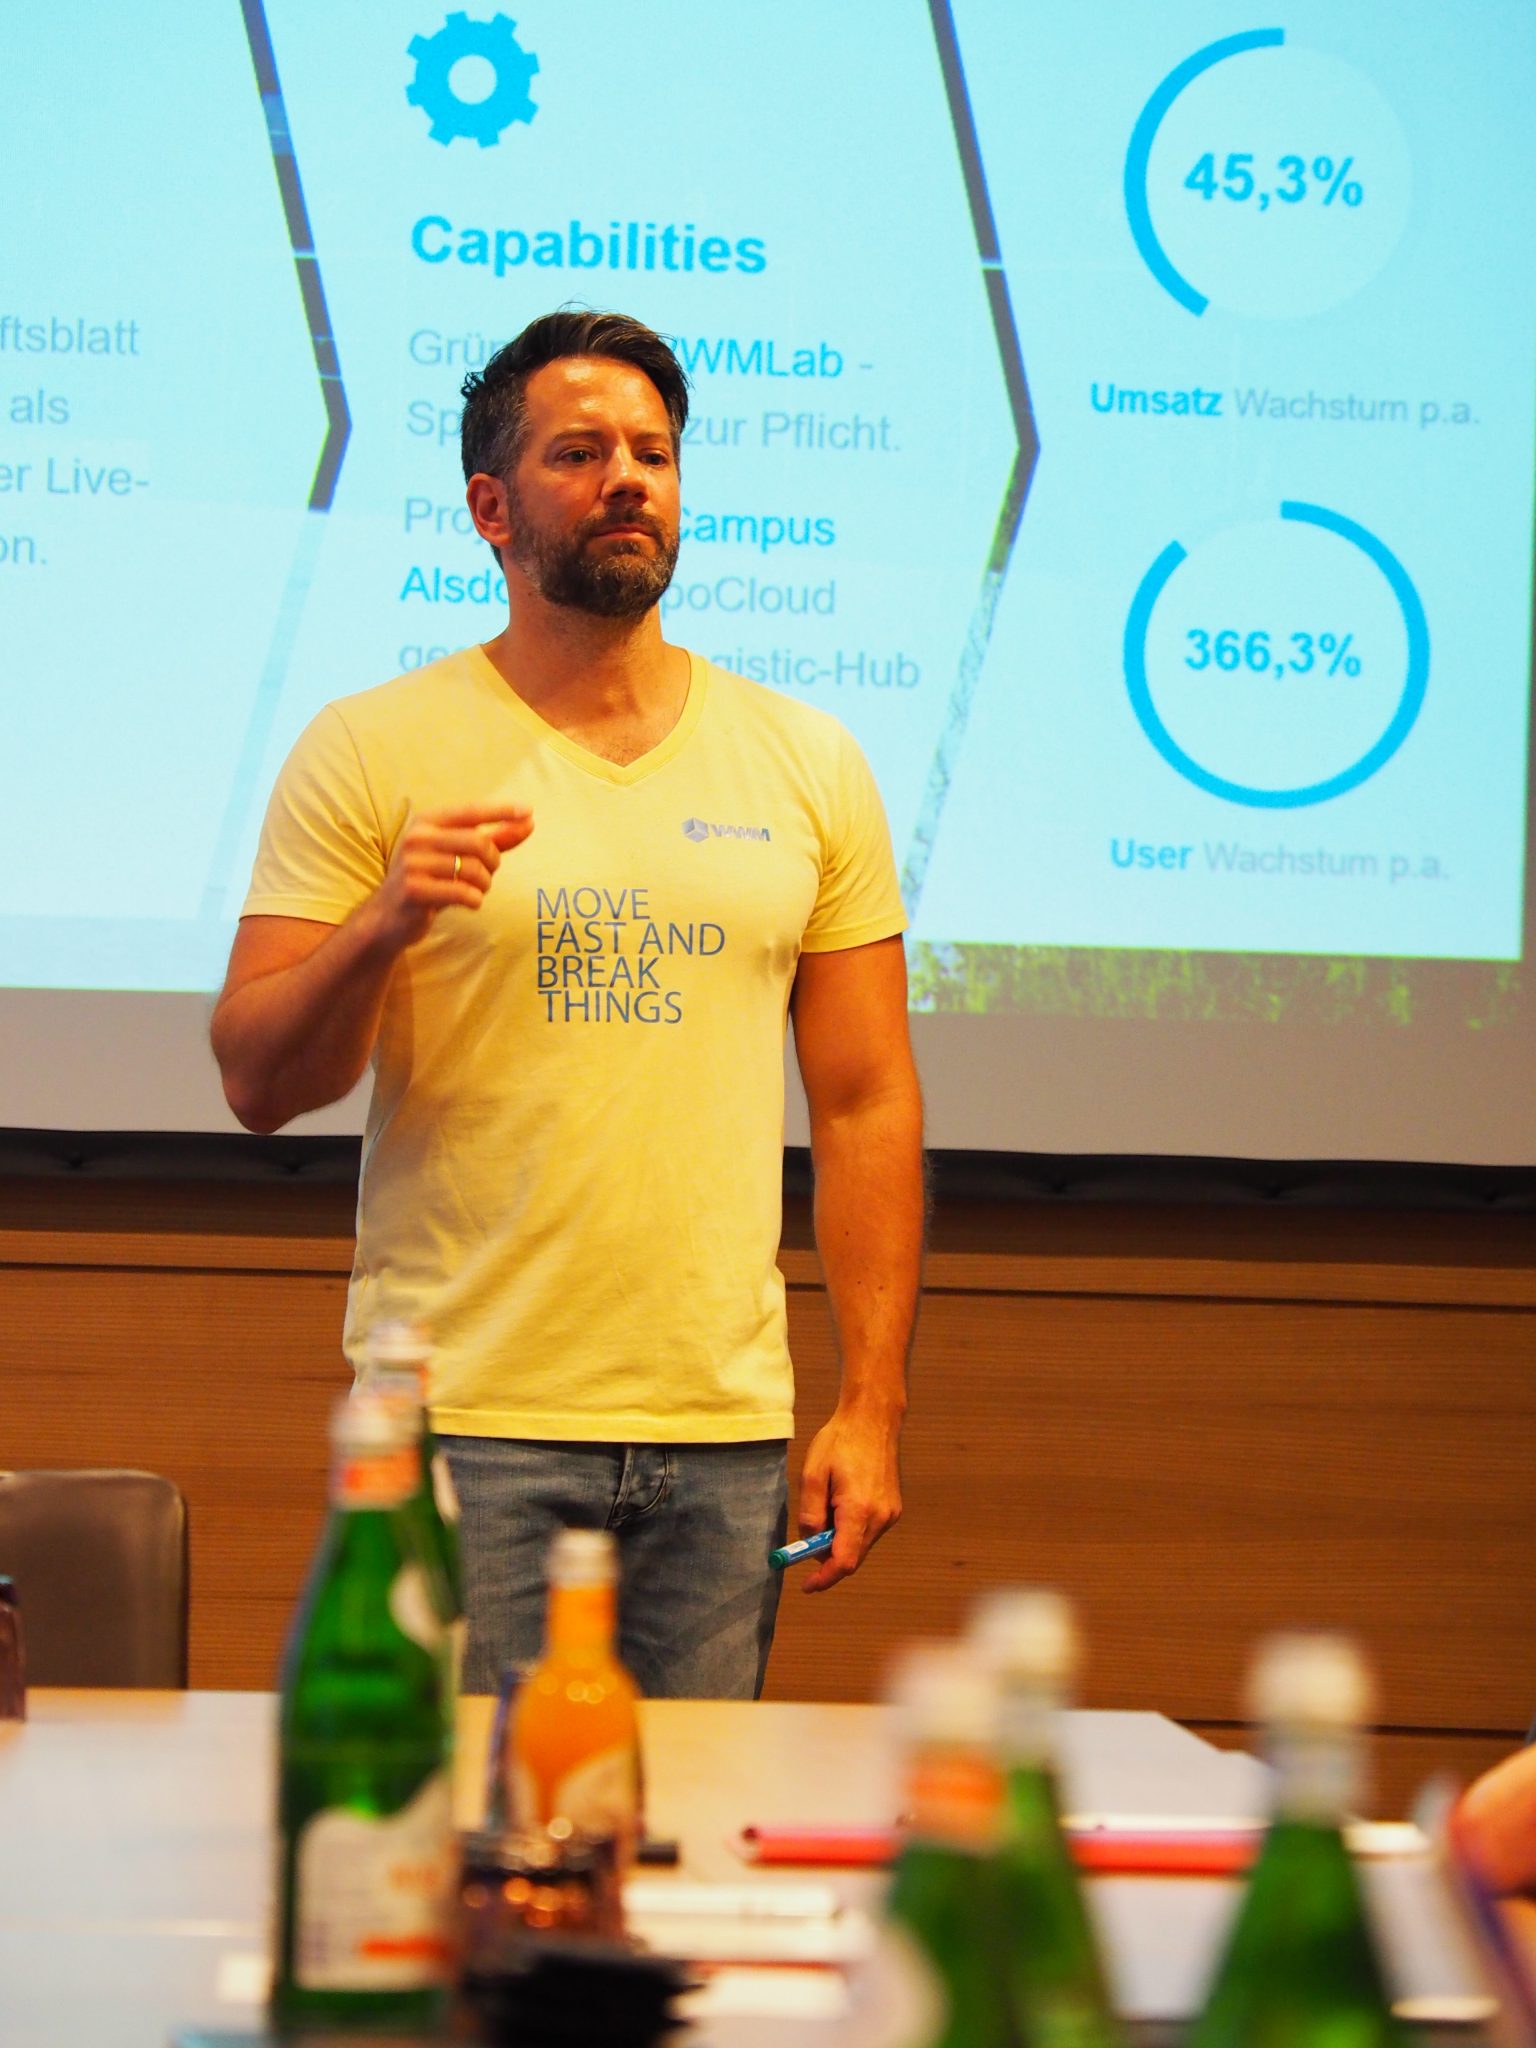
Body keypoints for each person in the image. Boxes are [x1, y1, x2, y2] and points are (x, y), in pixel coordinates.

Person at [210, 309, 924, 1698]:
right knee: (453, 1817)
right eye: (580, 453)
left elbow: (865, 1102)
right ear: (491, 508)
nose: (628, 481)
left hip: (720, 1433)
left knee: (676, 1824)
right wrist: (380, 927)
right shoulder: (371, 747)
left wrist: (870, 1402)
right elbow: (257, 1079)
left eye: (653, 454)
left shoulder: (807, 761)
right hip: (461, 1425)